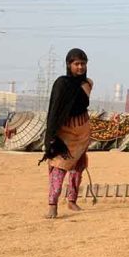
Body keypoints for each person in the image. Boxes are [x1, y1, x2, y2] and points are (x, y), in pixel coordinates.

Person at [40, 48, 93, 219]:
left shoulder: (87, 83)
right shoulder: (62, 83)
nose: (80, 67)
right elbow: (55, 109)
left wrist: (84, 85)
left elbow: (82, 103)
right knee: (59, 167)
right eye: (76, 64)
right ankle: (52, 204)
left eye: (83, 64)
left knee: (78, 168)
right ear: (68, 65)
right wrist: (52, 135)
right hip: (65, 132)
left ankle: (72, 200)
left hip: (82, 129)